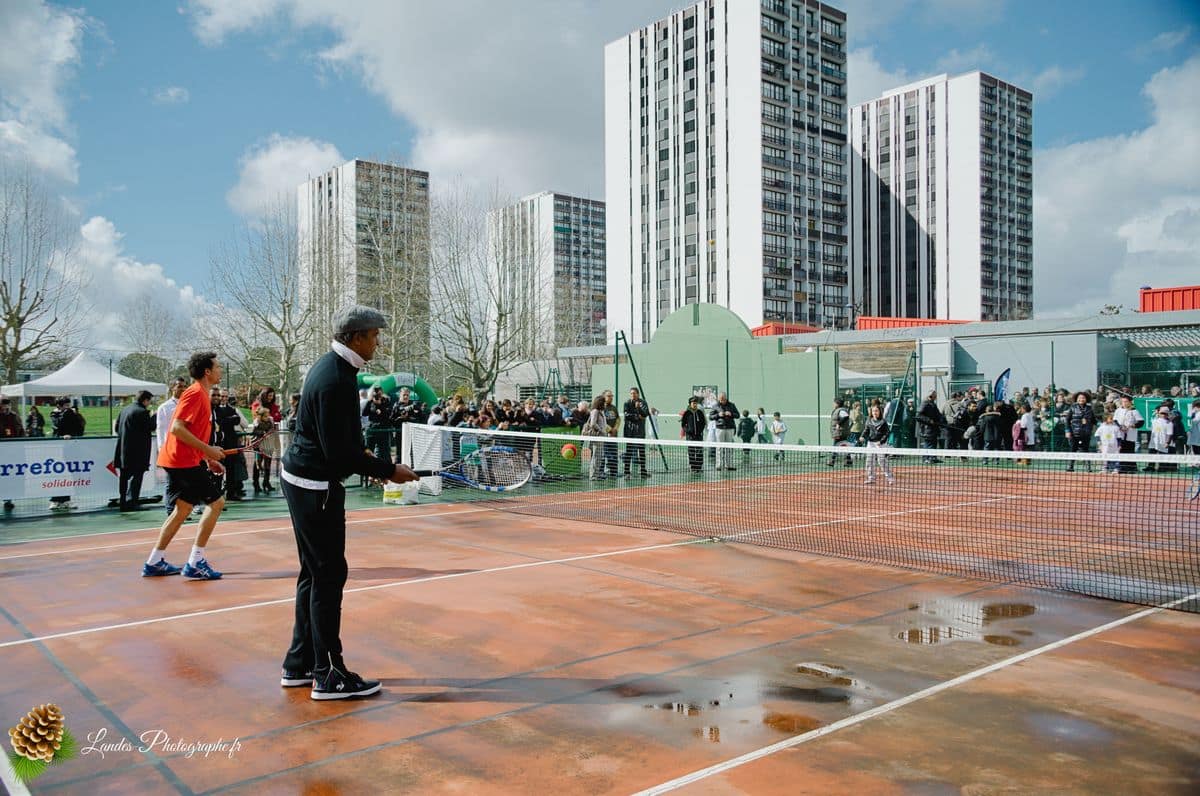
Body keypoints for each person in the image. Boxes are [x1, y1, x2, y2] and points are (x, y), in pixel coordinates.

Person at [279, 305, 418, 700]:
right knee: (327, 575)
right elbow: (340, 453)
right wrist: (389, 470)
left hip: (305, 480)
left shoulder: (333, 368)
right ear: (356, 337)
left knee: (312, 573)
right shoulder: (336, 378)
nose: (379, 341)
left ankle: (300, 663)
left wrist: (382, 467)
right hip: (314, 485)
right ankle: (329, 674)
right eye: (375, 334)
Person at [143, 352, 227, 580]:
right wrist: (209, 450)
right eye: (217, 367)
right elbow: (177, 428)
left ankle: (154, 561)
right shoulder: (195, 393)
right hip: (181, 461)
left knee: (183, 509)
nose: (220, 370)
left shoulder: (201, 394)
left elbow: (191, 432)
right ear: (207, 372)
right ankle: (196, 562)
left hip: (184, 459)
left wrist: (207, 457)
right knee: (217, 503)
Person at [114, 390, 155, 512]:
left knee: (124, 477)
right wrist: (154, 417)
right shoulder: (142, 412)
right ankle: (132, 501)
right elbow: (150, 427)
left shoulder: (125, 410)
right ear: (145, 400)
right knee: (136, 477)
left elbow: (117, 428)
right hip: (138, 451)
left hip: (123, 449)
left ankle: (123, 500)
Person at [862, 403, 894, 486]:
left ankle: (890, 478)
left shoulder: (883, 422)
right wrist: (862, 436)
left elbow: (887, 433)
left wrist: (881, 441)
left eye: (876, 411)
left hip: (880, 444)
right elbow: (866, 430)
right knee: (869, 461)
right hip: (870, 443)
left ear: (880, 411)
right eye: (873, 411)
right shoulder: (869, 420)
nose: (874, 413)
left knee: (882, 461)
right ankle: (871, 478)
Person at [621, 387, 650, 477]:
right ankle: (626, 472)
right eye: (631, 393)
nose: (633, 395)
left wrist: (639, 409)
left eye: (634, 393)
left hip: (640, 431)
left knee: (641, 452)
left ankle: (643, 471)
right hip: (629, 431)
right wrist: (637, 416)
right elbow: (626, 415)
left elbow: (645, 414)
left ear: (638, 394)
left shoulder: (643, 402)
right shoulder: (627, 403)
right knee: (628, 451)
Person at [1064, 391, 1095, 472]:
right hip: (1074, 433)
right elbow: (1067, 420)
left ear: (1086, 399)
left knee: (1086, 450)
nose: (1081, 399)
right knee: (1072, 449)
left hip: (1086, 433)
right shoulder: (1072, 408)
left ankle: (1088, 467)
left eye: (1083, 398)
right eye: (1080, 398)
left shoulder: (1090, 409)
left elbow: (1094, 420)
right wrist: (1067, 431)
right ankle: (1070, 466)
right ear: (1077, 399)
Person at [1, 398, 24, 511]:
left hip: (13, 450)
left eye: (8, 405)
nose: (6, 407)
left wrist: (22, 442)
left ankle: (8, 499)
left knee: (9, 474)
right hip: (2, 449)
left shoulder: (15, 416)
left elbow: (21, 430)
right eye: (4, 405)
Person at [1112, 395, 1143, 473]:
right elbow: (1115, 420)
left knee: (1130, 451)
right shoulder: (1118, 410)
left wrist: (1133, 426)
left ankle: (1131, 468)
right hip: (1120, 434)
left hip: (1130, 435)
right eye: (1122, 402)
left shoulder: (1134, 411)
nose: (1124, 403)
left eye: (1126, 402)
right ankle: (1122, 468)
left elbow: (1141, 422)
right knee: (1121, 450)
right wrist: (1120, 427)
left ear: (1130, 402)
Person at [251, 407, 278, 493]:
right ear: (260, 416)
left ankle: (266, 482)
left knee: (268, 464)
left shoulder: (270, 422)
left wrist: (270, 433)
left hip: (268, 445)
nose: (267, 417)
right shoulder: (257, 422)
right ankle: (256, 483)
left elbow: (272, 429)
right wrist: (263, 433)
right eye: (265, 416)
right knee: (258, 464)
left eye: (268, 415)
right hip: (258, 445)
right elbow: (254, 432)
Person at [709, 392, 739, 471]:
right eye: (721, 399)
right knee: (719, 447)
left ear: (726, 398)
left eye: (723, 399)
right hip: (720, 428)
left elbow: (737, 415)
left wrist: (731, 414)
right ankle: (718, 465)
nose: (722, 400)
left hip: (730, 428)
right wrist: (718, 415)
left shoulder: (732, 405)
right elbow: (710, 417)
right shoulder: (715, 406)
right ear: (719, 399)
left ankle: (728, 465)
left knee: (729, 447)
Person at [583, 395, 609, 480]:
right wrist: (601, 431)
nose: (605, 404)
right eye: (604, 402)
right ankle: (593, 475)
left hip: (601, 437)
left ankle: (596, 474)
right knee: (596, 456)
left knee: (599, 456)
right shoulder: (595, 411)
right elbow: (593, 424)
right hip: (597, 437)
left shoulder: (601, 412)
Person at [680, 395, 707, 473]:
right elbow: (683, 424)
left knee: (699, 451)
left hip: (699, 436)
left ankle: (699, 467)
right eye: (693, 403)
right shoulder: (687, 413)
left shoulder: (699, 412)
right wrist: (688, 430)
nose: (695, 404)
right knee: (691, 451)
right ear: (690, 404)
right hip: (690, 437)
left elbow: (703, 423)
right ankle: (693, 467)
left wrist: (700, 431)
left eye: (696, 403)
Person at [915, 392, 943, 463]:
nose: (934, 397)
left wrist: (941, 419)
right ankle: (926, 458)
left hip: (934, 428)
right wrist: (929, 420)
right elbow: (918, 416)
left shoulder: (933, 404)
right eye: (933, 396)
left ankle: (933, 457)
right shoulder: (925, 404)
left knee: (933, 443)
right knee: (928, 443)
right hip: (927, 429)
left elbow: (937, 414)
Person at [827, 398, 852, 467]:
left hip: (841, 432)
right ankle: (848, 461)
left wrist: (839, 424)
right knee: (844, 446)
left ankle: (832, 460)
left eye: (834, 403)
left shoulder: (841, 410)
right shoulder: (837, 410)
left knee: (836, 445)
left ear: (837, 404)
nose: (833, 404)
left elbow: (846, 417)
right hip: (839, 432)